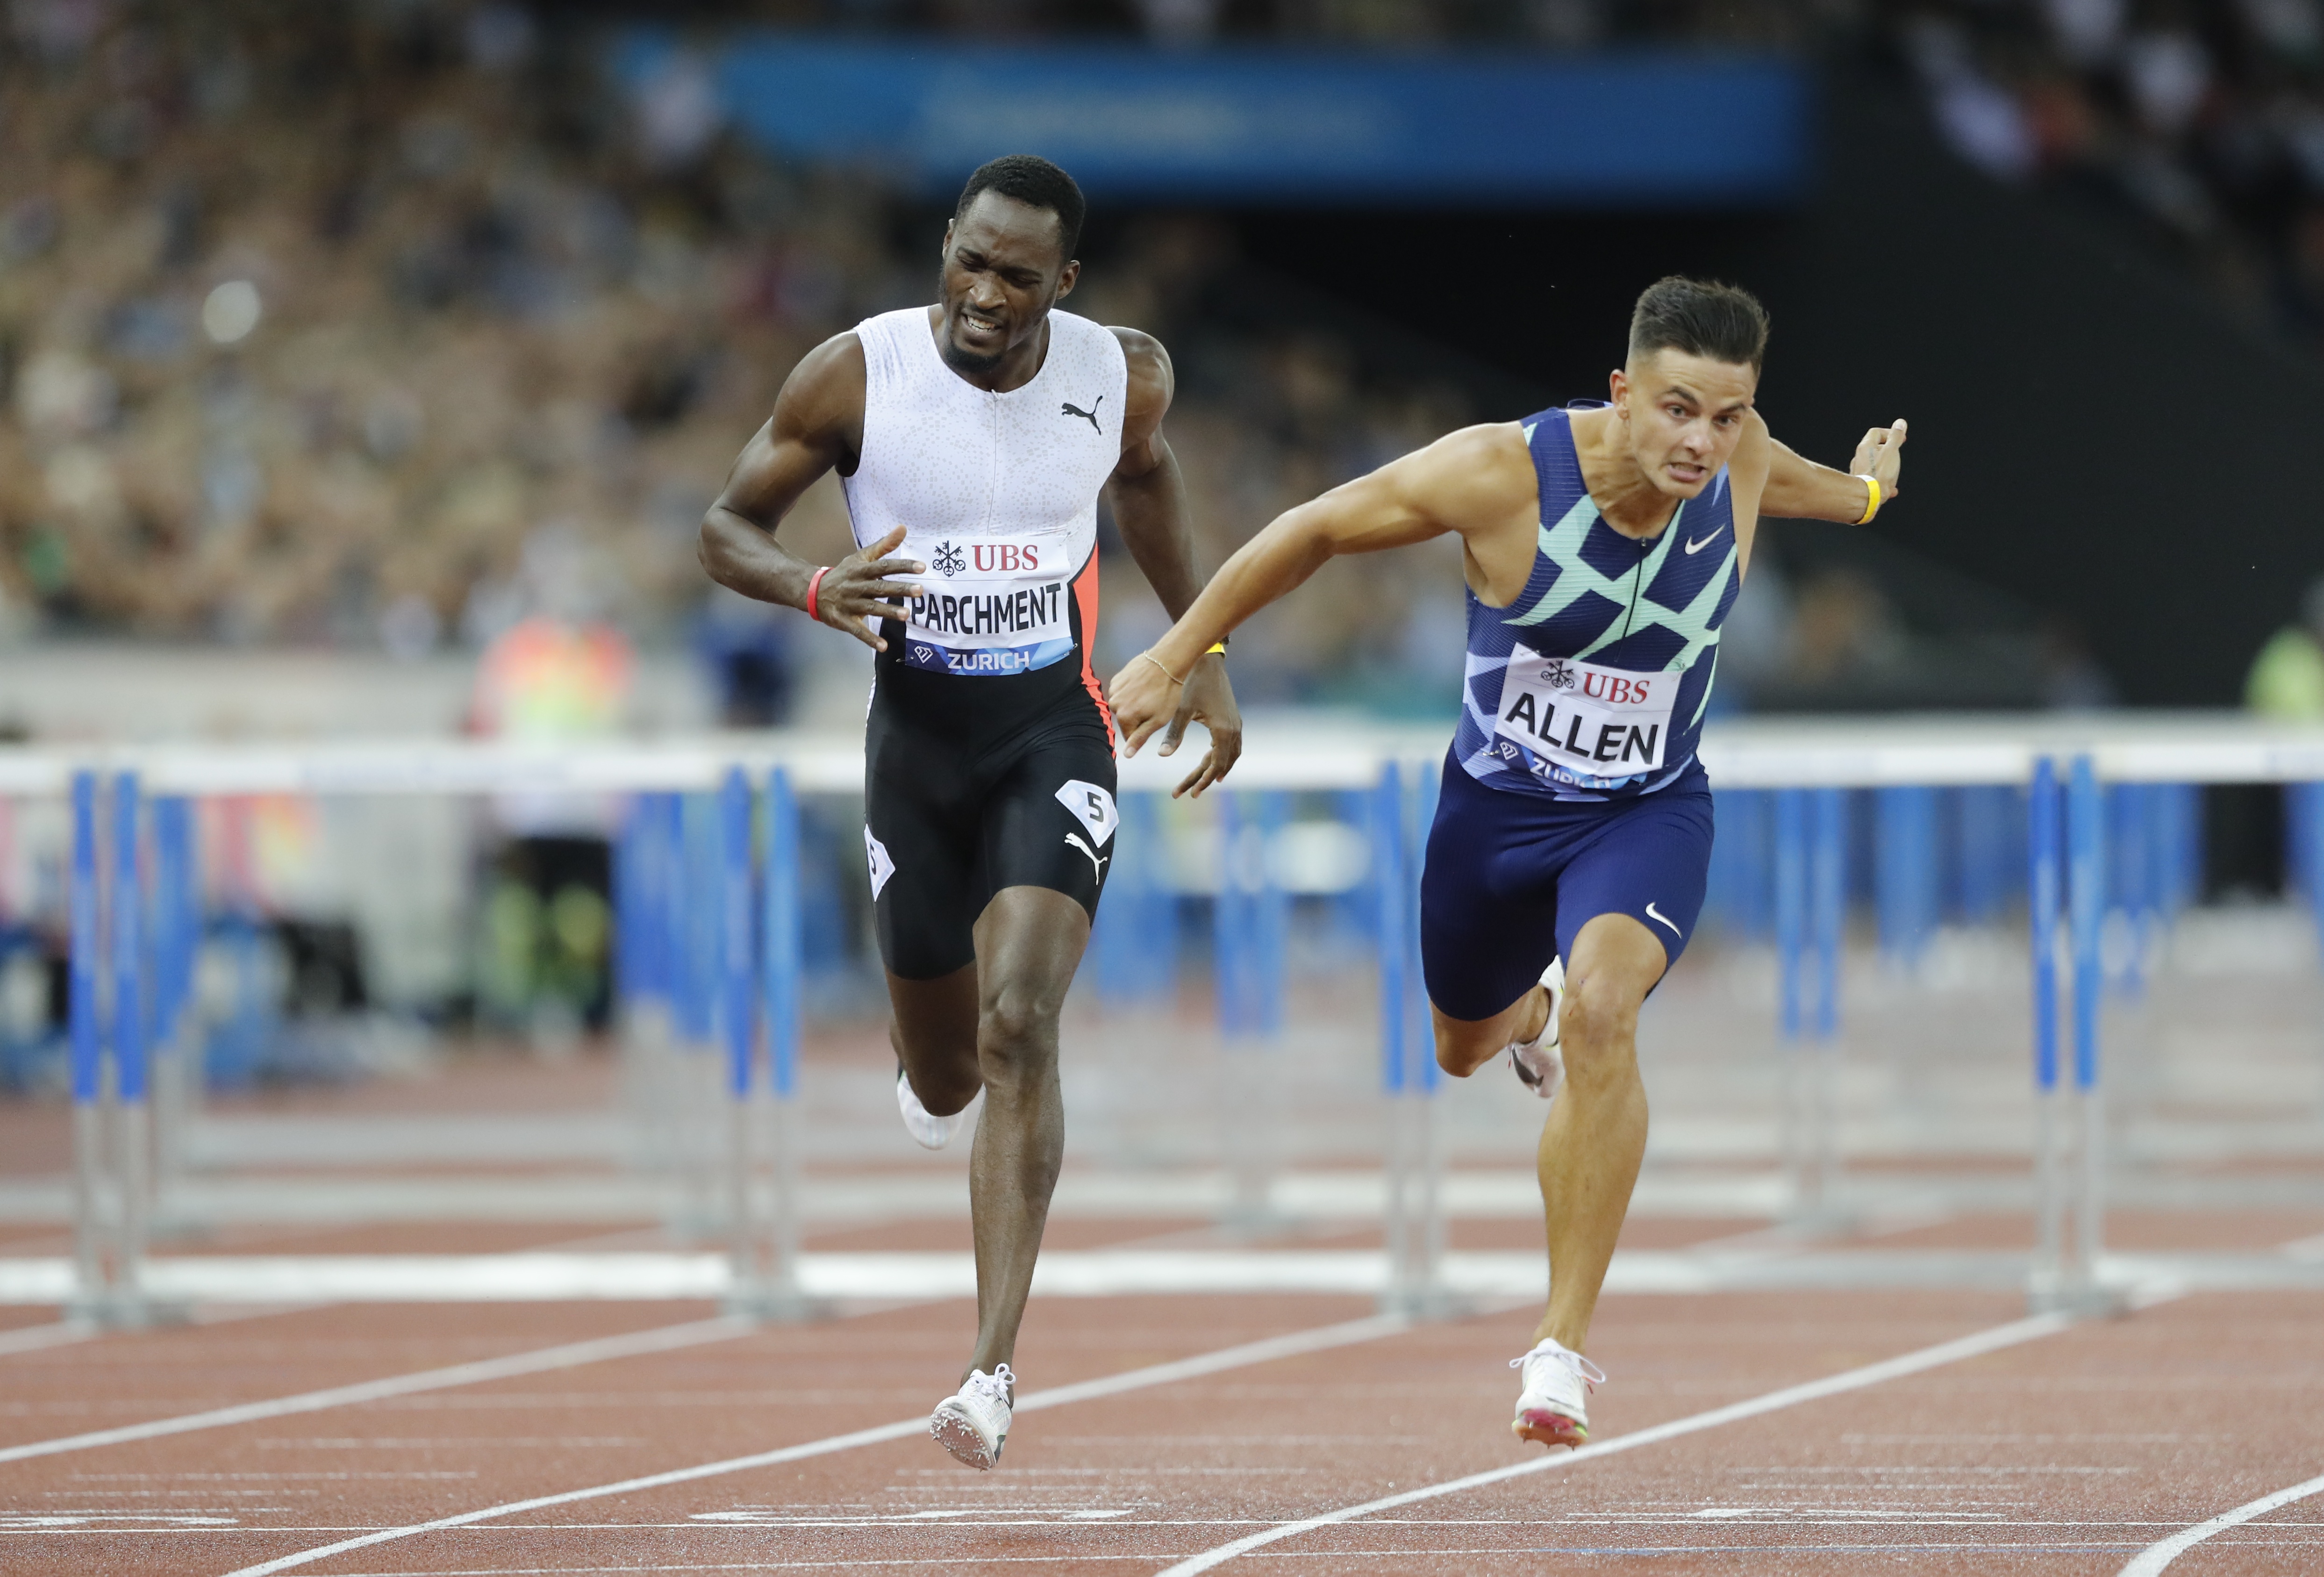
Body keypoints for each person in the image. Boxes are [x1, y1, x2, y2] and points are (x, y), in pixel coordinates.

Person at [1108, 277, 1906, 1452]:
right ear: (1624, 392)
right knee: (1462, 1044)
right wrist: (1180, 653)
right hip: (1493, 818)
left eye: (1729, 416)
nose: (1703, 442)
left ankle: (1560, 1347)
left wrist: (1873, 494)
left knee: (1606, 1013)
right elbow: (1319, 527)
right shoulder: (1503, 475)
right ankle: (1520, 1019)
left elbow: (1809, 485)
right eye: (1679, 409)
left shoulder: (1737, 460)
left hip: (1646, 813)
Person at [699, 155, 1240, 1470]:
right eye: (968, 260)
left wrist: (1203, 651)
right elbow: (723, 526)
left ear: (1065, 282)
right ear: (944, 243)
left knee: (1019, 1021)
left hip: (1052, 727)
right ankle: (927, 1068)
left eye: (1015, 275)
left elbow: (1149, 479)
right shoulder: (855, 373)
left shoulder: (1122, 372)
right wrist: (812, 586)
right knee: (947, 1070)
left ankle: (989, 1367)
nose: (983, 295)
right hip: (917, 744)